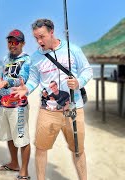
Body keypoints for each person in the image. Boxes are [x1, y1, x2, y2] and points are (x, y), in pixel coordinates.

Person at [11, 19, 93, 180]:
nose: (39, 41)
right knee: (41, 148)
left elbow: (87, 70)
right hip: (47, 111)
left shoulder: (72, 49)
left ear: (51, 32)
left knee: (78, 149)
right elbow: (34, 80)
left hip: (74, 109)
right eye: (36, 38)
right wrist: (26, 89)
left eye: (42, 36)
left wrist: (78, 82)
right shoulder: (35, 57)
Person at [0, 29, 31, 180]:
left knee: (22, 139)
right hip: (4, 105)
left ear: (22, 43)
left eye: (15, 42)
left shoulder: (27, 59)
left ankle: (24, 172)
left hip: (19, 106)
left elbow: (23, 80)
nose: (12, 45)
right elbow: (3, 79)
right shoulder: (5, 59)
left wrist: (6, 82)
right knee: (9, 137)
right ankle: (14, 163)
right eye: (9, 42)